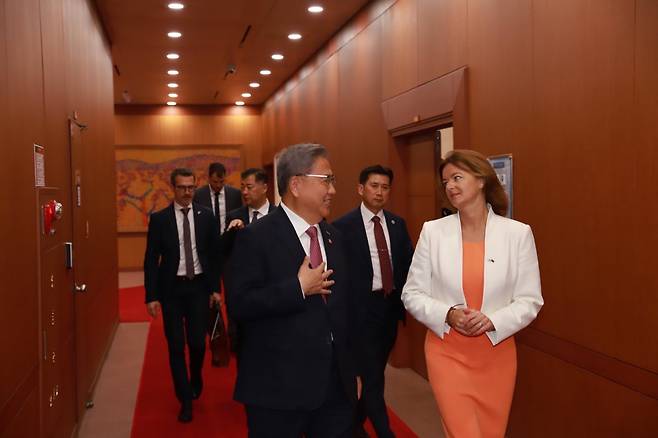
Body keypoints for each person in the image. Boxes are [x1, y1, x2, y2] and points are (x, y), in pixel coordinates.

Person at [401, 150, 543, 438]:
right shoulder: (433, 232)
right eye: (445, 182)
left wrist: (493, 321)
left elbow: (530, 300)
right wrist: (448, 314)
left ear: (480, 180)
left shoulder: (517, 234)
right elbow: (412, 293)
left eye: (457, 178)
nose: (450, 186)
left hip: (497, 354)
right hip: (447, 353)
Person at [226, 143, 357, 437]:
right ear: (296, 184)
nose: (333, 191)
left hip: (334, 387)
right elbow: (240, 304)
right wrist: (297, 288)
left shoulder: (335, 237)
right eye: (327, 181)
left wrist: (352, 372)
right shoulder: (255, 238)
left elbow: (347, 311)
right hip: (278, 390)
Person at [333, 165, 413, 438]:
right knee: (373, 378)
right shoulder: (342, 228)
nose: (380, 192)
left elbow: (408, 268)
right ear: (361, 189)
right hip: (360, 312)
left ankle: (352, 426)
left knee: (375, 371)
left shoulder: (397, 225)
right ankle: (383, 431)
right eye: (374, 186)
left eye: (385, 187)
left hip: (388, 310)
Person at [143, 168, 221, 423]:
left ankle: (196, 374)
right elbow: (151, 260)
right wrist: (151, 296)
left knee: (198, 343)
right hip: (171, 291)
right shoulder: (160, 220)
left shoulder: (207, 217)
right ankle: (185, 399)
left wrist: (215, 289)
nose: (187, 192)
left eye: (191, 187)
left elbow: (213, 255)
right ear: (173, 188)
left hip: (198, 288)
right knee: (176, 346)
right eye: (182, 188)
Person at [222, 167, 276, 353]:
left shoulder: (279, 217)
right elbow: (223, 252)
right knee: (242, 346)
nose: (244, 192)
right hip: (242, 292)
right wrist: (231, 233)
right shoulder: (234, 215)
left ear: (264, 187)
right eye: (242, 187)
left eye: (249, 187)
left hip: (271, 292)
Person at [193, 162, 242, 235]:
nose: (218, 185)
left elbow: (239, 216)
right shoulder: (198, 195)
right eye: (215, 182)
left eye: (222, 181)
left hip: (229, 238)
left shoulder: (235, 194)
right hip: (207, 238)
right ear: (208, 178)